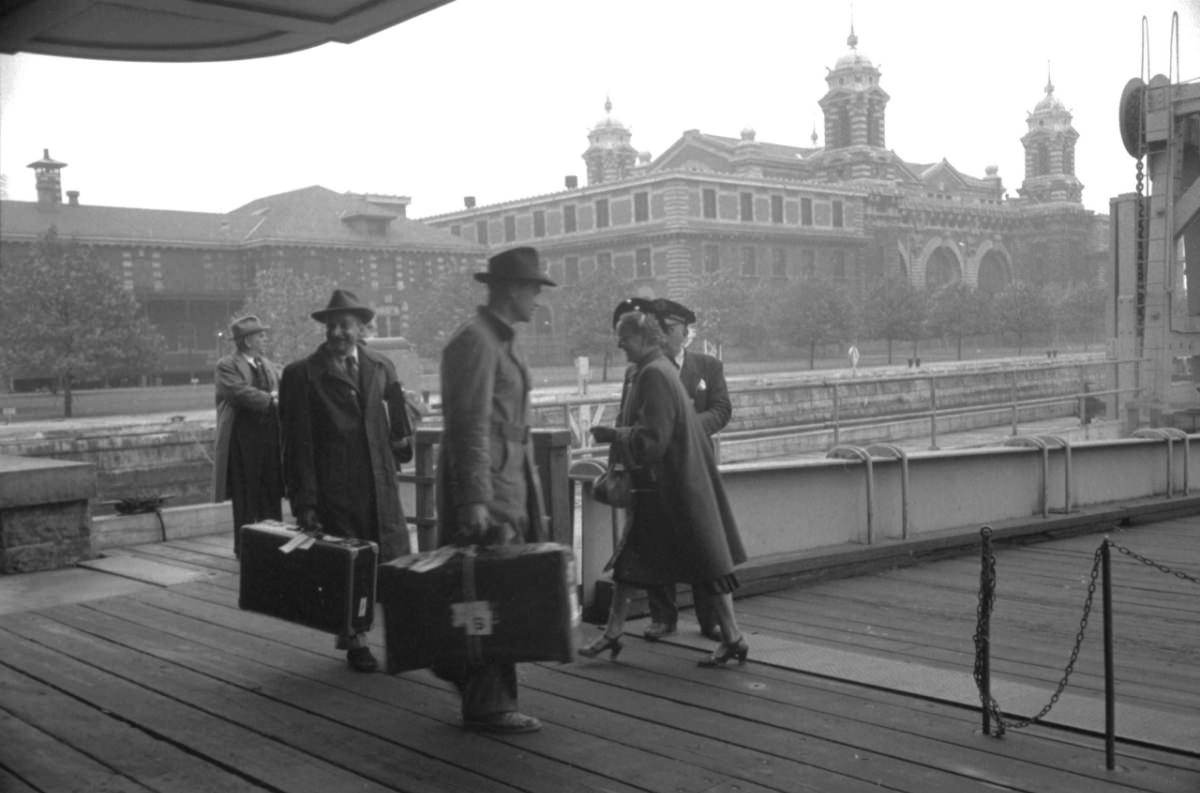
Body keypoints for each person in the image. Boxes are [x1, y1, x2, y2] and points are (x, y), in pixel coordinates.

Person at [582, 309, 749, 668]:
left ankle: (733, 637)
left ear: (642, 339)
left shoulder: (654, 374)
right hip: (670, 484)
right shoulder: (656, 369)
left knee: (707, 561)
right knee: (638, 558)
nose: (619, 344)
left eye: (623, 337)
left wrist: (614, 437)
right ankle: (614, 633)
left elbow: (654, 441)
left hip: (672, 486)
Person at [434, 245, 555, 735]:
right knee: (489, 589)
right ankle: (487, 701)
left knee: (495, 588)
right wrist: (475, 499)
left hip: (508, 481)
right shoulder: (477, 343)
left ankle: (475, 681)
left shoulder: (496, 340)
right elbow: (470, 425)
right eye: (532, 289)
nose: (537, 299)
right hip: (493, 487)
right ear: (509, 290)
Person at [278, 289, 412, 673]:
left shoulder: (382, 366)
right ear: (324, 328)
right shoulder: (301, 375)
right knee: (350, 571)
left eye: (346, 325)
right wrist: (305, 504)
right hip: (338, 490)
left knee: (392, 564)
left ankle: (403, 638)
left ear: (362, 327)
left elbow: (397, 427)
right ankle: (355, 640)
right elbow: (297, 446)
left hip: (381, 486)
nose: (338, 333)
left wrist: (403, 438)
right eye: (332, 325)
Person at [641, 297, 732, 642]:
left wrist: (690, 426)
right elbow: (631, 415)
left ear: (684, 332)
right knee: (657, 539)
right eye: (659, 329)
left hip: (696, 468)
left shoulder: (707, 366)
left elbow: (722, 409)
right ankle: (663, 617)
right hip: (657, 469)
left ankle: (710, 619)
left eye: (671, 329)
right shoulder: (643, 369)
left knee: (705, 539)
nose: (664, 336)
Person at [212, 315, 282, 559]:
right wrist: (270, 399)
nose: (265, 339)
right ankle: (245, 549)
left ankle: (273, 543)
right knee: (245, 495)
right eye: (261, 335)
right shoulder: (226, 365)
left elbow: (286, 381)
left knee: (271, 489)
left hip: (270, 437)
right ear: (248, 341)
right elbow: (237, 392)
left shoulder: (267, 364)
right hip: (242, 439)